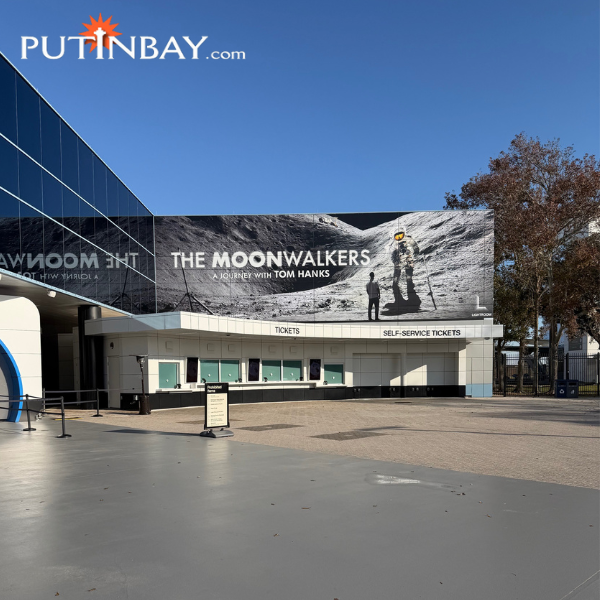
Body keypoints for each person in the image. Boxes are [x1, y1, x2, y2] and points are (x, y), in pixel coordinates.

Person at [391, 226, 421, 309]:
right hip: (399, 262)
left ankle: (412, 298)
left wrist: (416, 252)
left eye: (400, 235)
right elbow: (392, 253)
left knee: (409, 280)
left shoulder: (408, 239)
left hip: (408, 260)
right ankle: (399, 300)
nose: (399, 238)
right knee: (395, 281)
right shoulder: (394, 244)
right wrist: (394, 260)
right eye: (397, 236)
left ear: (404, 234)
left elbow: (415, 246)